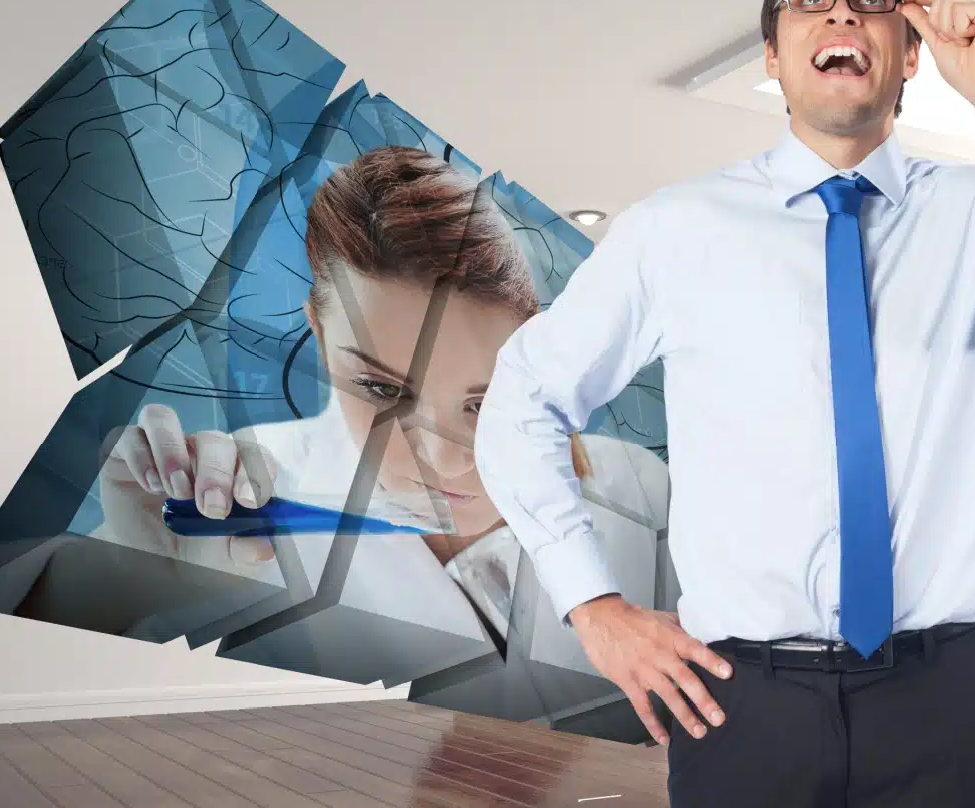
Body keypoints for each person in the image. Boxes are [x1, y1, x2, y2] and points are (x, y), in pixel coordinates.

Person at [472, 0, 975, 808]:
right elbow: (521, 401)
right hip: (739, 702)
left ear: (910, 50)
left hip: (948, 696)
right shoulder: (676, 229)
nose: (841, 11)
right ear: (774, 52)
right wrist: (593, 609)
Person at [88, 145, 673, 716]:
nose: (445, 463)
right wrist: (137, 585)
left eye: (487, 398)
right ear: (318, 333)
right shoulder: (246, 504)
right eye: (384, 391)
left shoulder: (639, 489)